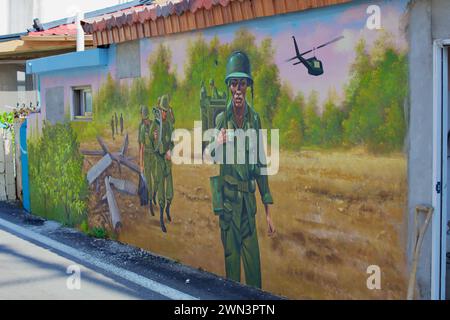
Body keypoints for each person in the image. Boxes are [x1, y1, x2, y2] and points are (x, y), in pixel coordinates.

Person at [210, 51, 275, 289]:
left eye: (242, 83)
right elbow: (210, 155)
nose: (238, 89)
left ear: (248, 86)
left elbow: (260, 164)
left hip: (248, 205)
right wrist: (218, 142)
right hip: (228, 204)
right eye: (234, 83)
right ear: (229, 87)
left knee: (254, 270)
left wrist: (268, 211)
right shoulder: (220, 120)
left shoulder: (254, 120)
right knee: (232, 267)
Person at [150, 96, 174, 233]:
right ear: (159, 110)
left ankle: (168, 210)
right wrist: (154, 139)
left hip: (167, 161)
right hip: (159, 161)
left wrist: (170, 149)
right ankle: (160, 218)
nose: (164, 113)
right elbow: (151, 145)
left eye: (166, 111)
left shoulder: (168, 125)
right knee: (161, 192)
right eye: (162, 111)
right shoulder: (155, 125)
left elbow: (171, 141)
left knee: (170, 191)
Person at [138, 105, 155, 216]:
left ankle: (151, 198)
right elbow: (141, 146)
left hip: (153, 155)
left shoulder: (153, 125)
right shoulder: (142, 126)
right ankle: (146, 200)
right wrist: (141, 162)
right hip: (146, 155)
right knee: (146, 179)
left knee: (153, 179)